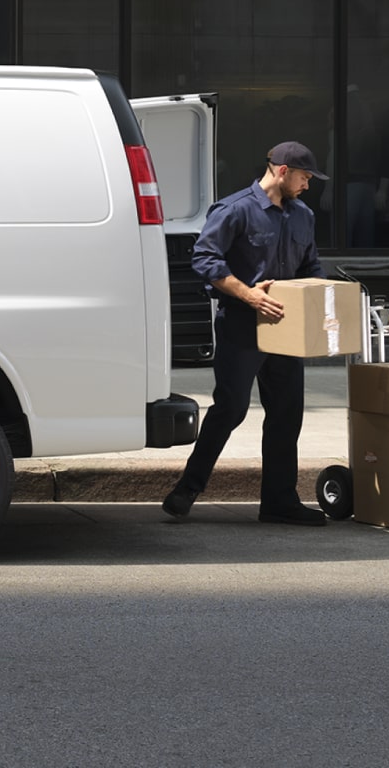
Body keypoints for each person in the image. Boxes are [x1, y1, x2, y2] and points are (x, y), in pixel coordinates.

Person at [162, 141, 333, 527]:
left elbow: (312, 267)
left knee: (287, 414)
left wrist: (318, 303)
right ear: (284, 171)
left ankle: (279, 502)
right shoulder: (235, 209)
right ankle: (187, 489)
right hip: (241, 324)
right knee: (231, 408)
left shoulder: (303, 215)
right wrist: (249, 294)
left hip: (286, 328)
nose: (309, 186)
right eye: (306, 177)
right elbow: (205, 258)